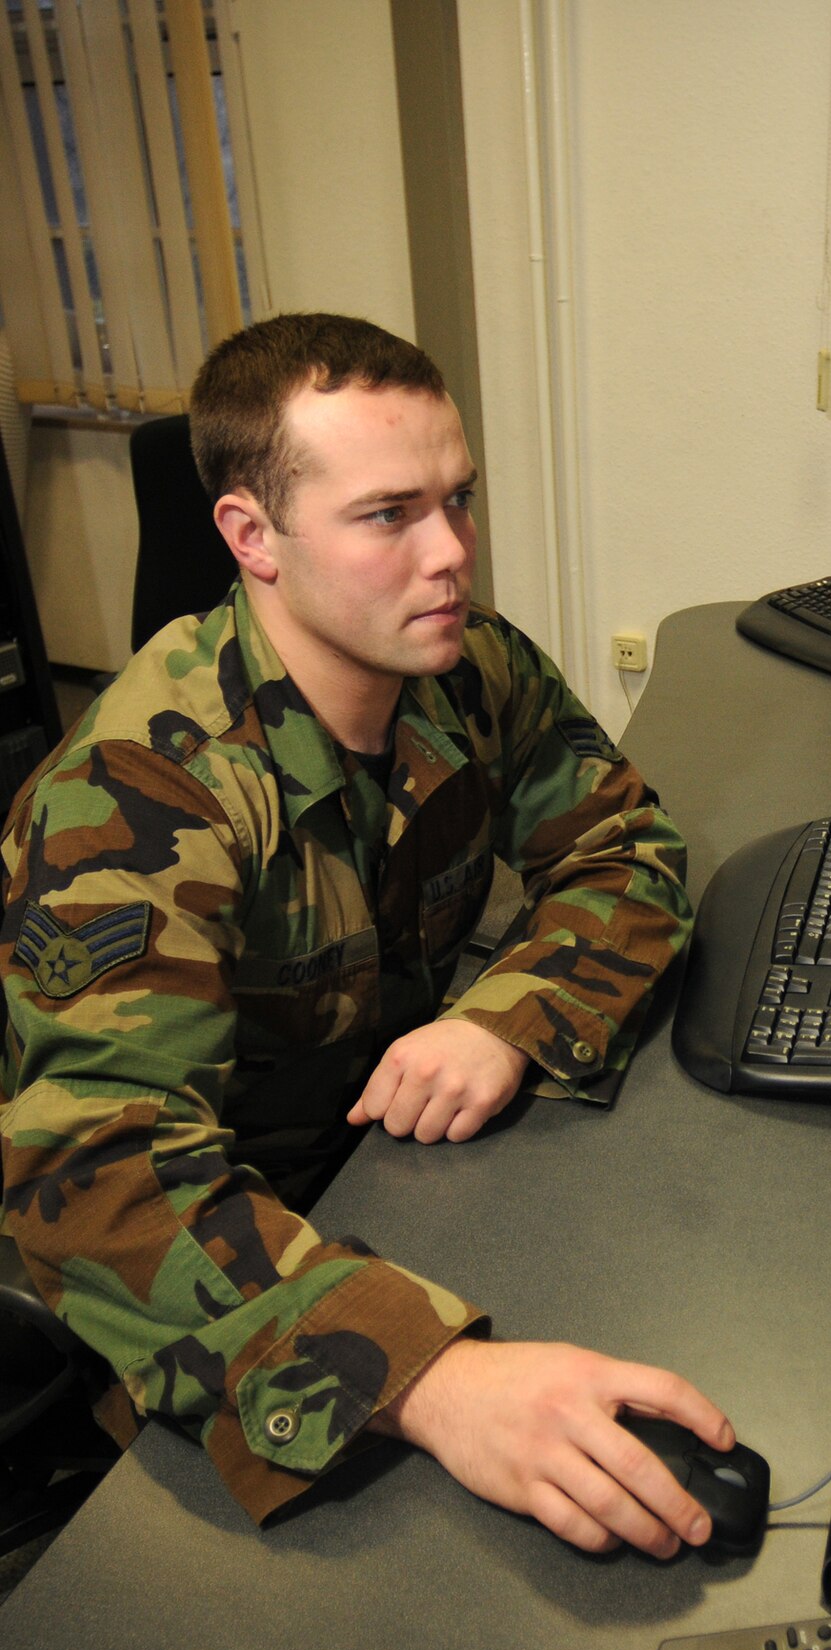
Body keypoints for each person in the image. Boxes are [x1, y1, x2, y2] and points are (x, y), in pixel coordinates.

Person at [0, 312, 735, 1558]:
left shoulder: (463, 670)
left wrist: (505, 1019)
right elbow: (101, 1181)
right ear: (252, 536)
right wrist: (430, 1380)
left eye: (458, 499)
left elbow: (625, 849)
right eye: (388, 515)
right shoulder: (142, 793)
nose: (449, 552)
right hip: (219, 1275)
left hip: (395, 1177)